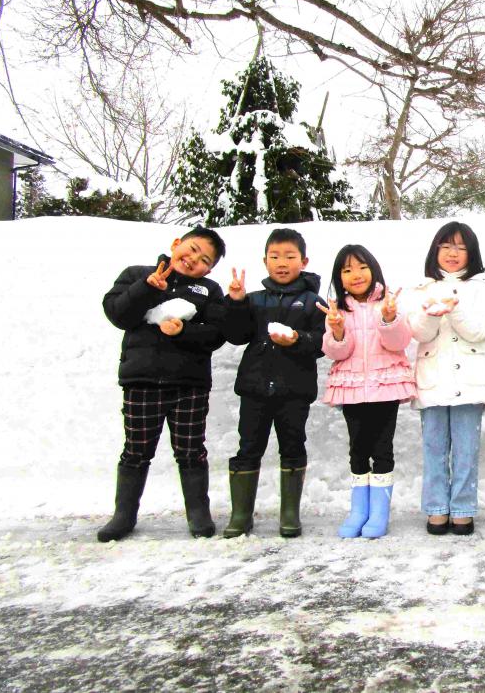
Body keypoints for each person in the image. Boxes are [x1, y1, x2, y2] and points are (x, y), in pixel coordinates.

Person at [99, 227, 227, 542]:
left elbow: (217, 334)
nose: (194, 259)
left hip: (189, 385)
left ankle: (198, 513)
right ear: (176, 244)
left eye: (204, 259)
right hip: (141, 381)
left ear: (209, 269)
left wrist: (182, 331)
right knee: (136, 451)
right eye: (192, 248)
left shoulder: (208, 290)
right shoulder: (137, 275)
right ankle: (123, 515)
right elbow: (118, 314)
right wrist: (146, 288)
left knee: (191, 451)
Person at [222, 228, 326, 538]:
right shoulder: (253, 299)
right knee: (248, 447)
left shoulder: (312, 301)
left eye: (290, 256)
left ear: (303, 261)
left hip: (294, 391)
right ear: (265, 261)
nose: (282, 262)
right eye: (275, 256)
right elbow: (237, 335)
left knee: (293, 446)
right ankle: (241, 514)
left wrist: (297, 339)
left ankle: (289, 513)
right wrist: (237, 302)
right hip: (254, 389)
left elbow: (322, 343)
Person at [408, 222, 485, 536]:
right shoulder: (422, 287)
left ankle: (462, 508)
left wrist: (453, 310)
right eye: (446, 246)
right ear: (436, 250)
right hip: (433, 379)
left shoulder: (482, 287)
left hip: (470, 382)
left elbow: (478, 331)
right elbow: (419, 333)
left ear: (471, 254)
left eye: (461, 248)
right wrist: (431, 314)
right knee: (434, 447)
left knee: (466, 449)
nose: (453, 253)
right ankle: (436, 508)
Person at [321, 244, 415, 539]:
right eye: (347, 270)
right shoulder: (339, 310)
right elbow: (337, 351)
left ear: (373, 269)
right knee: (358, 449)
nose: (355, 275)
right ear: (339, 278)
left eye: (361, 267)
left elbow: (398, 342)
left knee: (382, 449)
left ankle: (379, 512)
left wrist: (388, 318)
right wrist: (336, 330)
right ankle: (358, 510)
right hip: (352, 389)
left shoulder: (386, 303)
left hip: (384, 387)